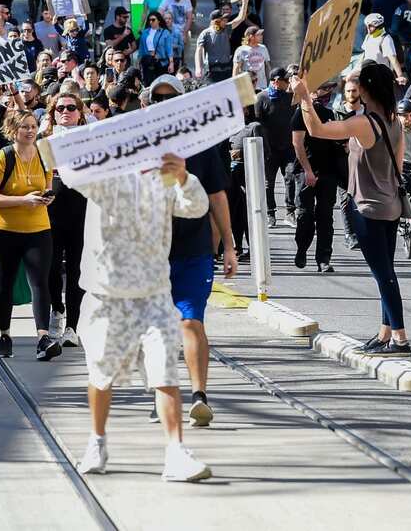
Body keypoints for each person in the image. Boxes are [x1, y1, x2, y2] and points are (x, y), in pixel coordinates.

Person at [73, 153, 213, 482]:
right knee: (102, 375)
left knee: (165, 371)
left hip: (153, 293)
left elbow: (194, 207)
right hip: (107, 296)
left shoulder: (161, 176)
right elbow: (70, 172)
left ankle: (176, 451)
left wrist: (183, 178)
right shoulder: (100, 175)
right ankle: (97, 440)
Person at [292, 61, 411, 356]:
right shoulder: (394, 121)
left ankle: (400, 338)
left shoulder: (364, 123)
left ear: (368, 89)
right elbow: (398, 163)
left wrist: (305, 97)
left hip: (368, 207)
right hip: (391, 205)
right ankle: (385, 334)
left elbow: (317, 129)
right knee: (387, 272)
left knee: (383, 275)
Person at [145, 75, 236, 428]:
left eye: (170, 97)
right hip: (151, 253)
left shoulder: (202, 145)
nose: (164, 102)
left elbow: (217, 196)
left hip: (194, 250)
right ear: (149, 103)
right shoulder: (139, 146)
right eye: (158, 98)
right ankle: (163, 395)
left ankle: (199, 395)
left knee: (190, 320)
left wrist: (229, 245)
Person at [0, 108, 62, 361]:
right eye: (24, 126)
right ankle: (5, 335)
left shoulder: (44, 154)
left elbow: (47, 187)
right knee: (5, 283)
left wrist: (46, 198)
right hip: (5, 231)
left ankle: (43, 338)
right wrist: (22, 200)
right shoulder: (3, 158)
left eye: (32, 126)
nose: (30, 131)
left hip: (38, 229)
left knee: (41, 283)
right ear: (13, 130)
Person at [44, 91, 88, 347]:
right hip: (49, 216)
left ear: (80, 113)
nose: (66, 111)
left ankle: (72, 325)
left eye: (71, 107)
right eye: (60, 108)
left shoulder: (90, 140)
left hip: (80, 216)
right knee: (50, 269)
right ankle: (56, 309)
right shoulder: (44, 142)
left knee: (75, 272)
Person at [292, 80, 342, 272]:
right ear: (311, 93)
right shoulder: (300, 113)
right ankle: (302, 249)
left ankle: (323, 259)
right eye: (323, 88)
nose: (327, 93)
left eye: (330, 89)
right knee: (305, 215)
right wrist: (308, 171)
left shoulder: (329, 114)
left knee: (325, 217)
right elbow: (297, 144)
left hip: (328, 172)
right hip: (306, 172)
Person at [256, 68, 298, 226]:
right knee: (269, 182)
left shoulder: (291, 97)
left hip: (288, 147)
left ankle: (290, 211)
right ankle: (270, 213)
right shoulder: (261, 98)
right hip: (269, 149)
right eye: (285, 80)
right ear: (275, 81)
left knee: (290, 178)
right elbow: (256, 124)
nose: (288, 83)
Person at [194, 1, 248, 83]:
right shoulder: (205, 33)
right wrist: (198, 68)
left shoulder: (227, 29)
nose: (225, 21)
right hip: (212, 71)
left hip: (226, 70)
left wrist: (245, 2)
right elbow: (199, 50)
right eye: (222, 20)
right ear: (215, 21)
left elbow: (241, 18)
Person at [361, 13, 408, 86]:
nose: (368, 28)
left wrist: (400, 76)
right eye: (367, 26)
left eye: (371, 26)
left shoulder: (385, 39)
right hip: (367, 74)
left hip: (382, 77)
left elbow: (393, 59)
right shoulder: (368, 37)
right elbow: (364, 54)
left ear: (379, 26)